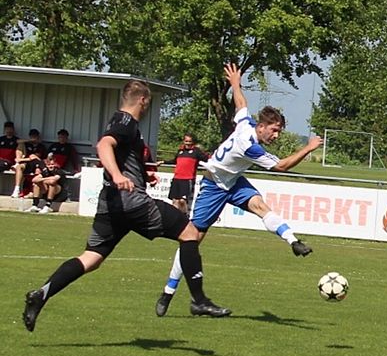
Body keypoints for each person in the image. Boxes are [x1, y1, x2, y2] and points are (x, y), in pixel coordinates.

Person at [22, 78, 228, 333]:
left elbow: (119, 151)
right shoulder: (126, 122)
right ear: (143, 100)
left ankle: (42, 293)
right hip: (132, 203)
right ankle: (199, 300)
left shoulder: (117, 120)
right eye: (148, 103)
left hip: (110, 204)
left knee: (91, 258)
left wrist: (142, 175)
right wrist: (119, 175)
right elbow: (104, 145)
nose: (147, 108)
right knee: (190, 233)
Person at [154, 63, 323, 318]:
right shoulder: (250, 146)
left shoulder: (246, 123)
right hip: (214, 186)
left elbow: (241, 103)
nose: (276, 136)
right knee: (192, 239)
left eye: (279, 131)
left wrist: (235, 82)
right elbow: (281, 166)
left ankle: (294, 241)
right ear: (264, 126)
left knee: (260, 206)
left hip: (233, 182)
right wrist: (308, 148)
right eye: (275, 130)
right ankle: (168, 291)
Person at [164, 134, 208, 213]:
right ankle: (174, 218)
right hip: (176, 178)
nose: (187, 143)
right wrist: (163, 162)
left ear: (193, 142)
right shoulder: (180, 151)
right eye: (186, 141)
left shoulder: (196, 151)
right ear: (183, 141)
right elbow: (174, 161)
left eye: (189, 141)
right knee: (175, 201)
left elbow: (206, 159)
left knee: (182, 201)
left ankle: (184, 218)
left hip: (187, 179)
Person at [12, 128, 47, 198]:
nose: (33, 138)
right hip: (26, 162)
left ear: (38, 137)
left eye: (35, 136)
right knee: (19, 167)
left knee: (38, 171)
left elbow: (34, 157)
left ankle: (33, 192)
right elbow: (18, 141)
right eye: (32, 136)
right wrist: (30, 140)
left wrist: (21, 159)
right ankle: (17, 189)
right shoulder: (26, 144)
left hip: (36, 164)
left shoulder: (41, 146)